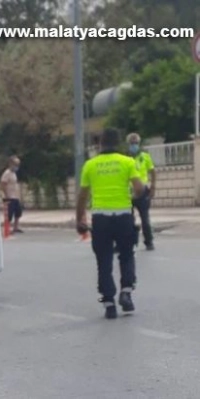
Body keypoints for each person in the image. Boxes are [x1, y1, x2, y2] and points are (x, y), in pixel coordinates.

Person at [76, 128, 144, 319]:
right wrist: (132, 197)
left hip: (101, 218)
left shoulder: (90, 165)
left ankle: (109, 304)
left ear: (100, 144)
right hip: (123, 216)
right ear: (119, 143)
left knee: (103, 261)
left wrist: (80, 218)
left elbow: (82, 196)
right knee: (127, 255)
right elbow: (139, 189)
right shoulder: (127, 162)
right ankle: (126, 292)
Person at [127, 133, 155, 250]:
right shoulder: (125, 159)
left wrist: (153, 187)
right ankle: (129, 242)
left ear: (139, 144)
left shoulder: (145, 157)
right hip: (129, 192)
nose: (134, 145)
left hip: (143, 191)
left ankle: (149, 242)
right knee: (128, 220)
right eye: (132, 143)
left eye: (136, 143)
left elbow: (153, 172)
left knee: (145, 219)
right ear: (128, 144)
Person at [0, 156, 24, 234]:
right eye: (15, 164)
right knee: (9, 215)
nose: (17, 166)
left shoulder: (14, 173)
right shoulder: (7, 173)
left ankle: (15, 227)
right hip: (9, 197)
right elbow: (3, 184)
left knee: (18, 212)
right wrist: (6, 195)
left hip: (15, 196)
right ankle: (7, 229)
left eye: (18, 164)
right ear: (10, 164)